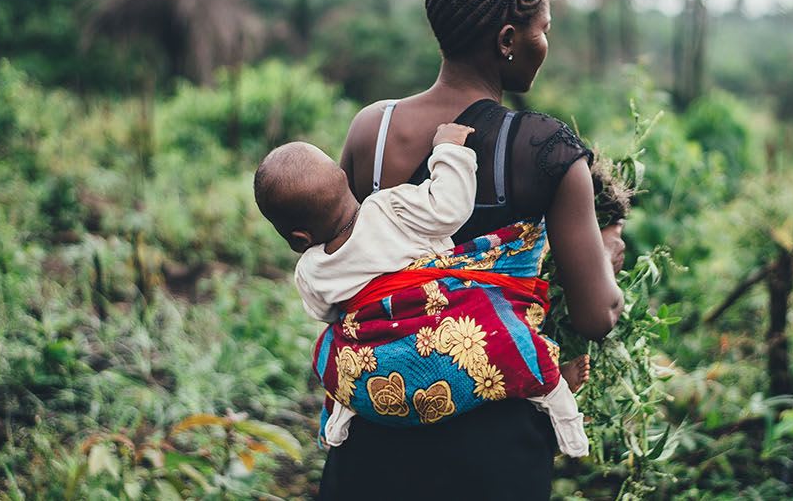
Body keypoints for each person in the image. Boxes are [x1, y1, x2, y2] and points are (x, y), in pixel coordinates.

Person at [320, 0, 625, 500]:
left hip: (376, 423)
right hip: (492, 451)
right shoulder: (545, 148)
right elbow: (597, 315)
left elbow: (341, 265)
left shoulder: (372, 129)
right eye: (544, 28)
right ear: (508, 39)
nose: (545, 43)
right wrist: (606, 250)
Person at [252, 123, 591, 456]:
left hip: (380, 368)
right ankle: (558, 402)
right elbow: (450, 208)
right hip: (441, 334)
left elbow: (327, 314)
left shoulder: (310, 270)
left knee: (331, 350)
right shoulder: (389, 207)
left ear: (298, 238)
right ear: (344, 181)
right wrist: (449, 150)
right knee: (505, 335)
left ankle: (342, 412)